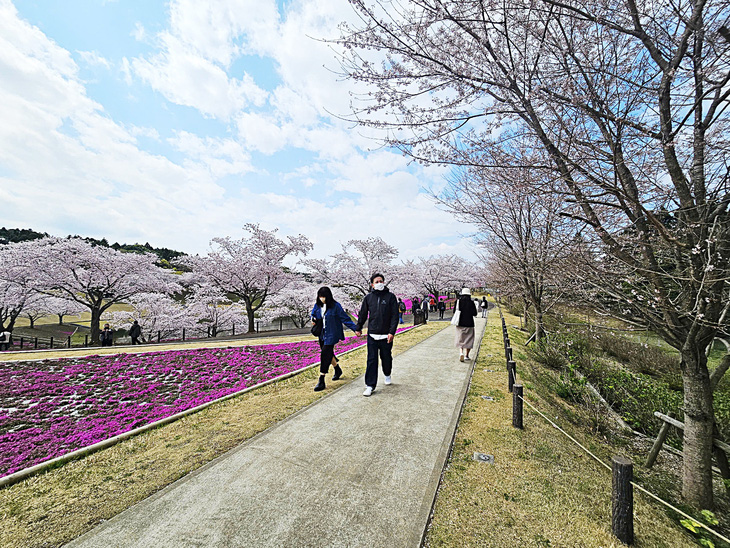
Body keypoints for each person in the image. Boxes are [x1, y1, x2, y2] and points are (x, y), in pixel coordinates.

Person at [355, 273, 399, 397]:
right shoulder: (368, 298)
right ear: (372, 284)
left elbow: (395, 316)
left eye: (381, 281)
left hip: (386, 335)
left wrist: (392, 332)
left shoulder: (390, 297)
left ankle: (387, 373)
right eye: (377, 281)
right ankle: (370, 385)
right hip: (372, 334)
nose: (379, 283)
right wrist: (358, 327)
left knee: (386, 358)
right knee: (371, 360)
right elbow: (363, 313)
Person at [310, 286, 359, 392]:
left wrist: (355, 329)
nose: (322, 299)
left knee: (324, 354)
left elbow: (345, 318)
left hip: (332, 333)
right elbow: (313, 314)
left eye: (323, 297)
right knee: (328, 353)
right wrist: (313, 319)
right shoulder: (317, 306)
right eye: (320, 296)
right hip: (322, 334)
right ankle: (337, 369)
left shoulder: (336, 306)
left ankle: (321, 379)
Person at [454, 288, 478, 362]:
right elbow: (475, 313)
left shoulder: (458, 302)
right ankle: (467, 355)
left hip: (460, 323)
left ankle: (461, 352)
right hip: (470, 323)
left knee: (460, 338)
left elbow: (454, 312)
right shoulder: (471, 303)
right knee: (469, 339)